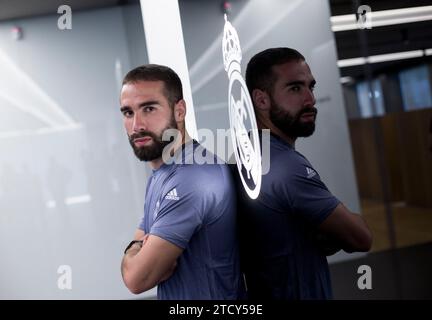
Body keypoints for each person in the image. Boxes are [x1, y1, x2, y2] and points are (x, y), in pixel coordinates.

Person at [235, 47, 373, 299]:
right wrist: (332, 231)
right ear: (261, 99)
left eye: (311, 87)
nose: (310, 99)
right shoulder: (287, 166)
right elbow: (361, 238)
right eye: (295, 88)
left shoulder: (246, 153)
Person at [119, 64, 244, 299]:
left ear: (179, 111)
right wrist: (136, 250)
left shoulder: (192, 178)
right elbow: (138, 248)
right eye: (128, 113)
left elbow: (136, 279)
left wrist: (134, 254)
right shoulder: (162, 174)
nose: (137, 126)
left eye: (149, 109)